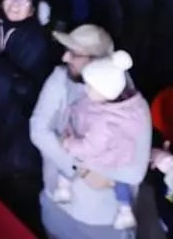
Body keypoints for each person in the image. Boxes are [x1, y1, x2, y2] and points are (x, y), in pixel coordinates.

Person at [30, 25, 151, 239]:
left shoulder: (131, 107)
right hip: (56, 204)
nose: (66, 57)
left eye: (75, 53)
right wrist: (82, 168)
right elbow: (38, 130)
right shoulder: (60, 78)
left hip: (101, 220)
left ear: (98, 60)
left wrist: (78, 160)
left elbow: (134, 172)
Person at [53, 50, 149, 231]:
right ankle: (125, 209)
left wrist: (69, 144)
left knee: (70, 157)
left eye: (91, 87)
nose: (86, 89)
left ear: (106, 91)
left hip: (103, 155)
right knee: (120, 183)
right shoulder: (122, 106)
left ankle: (63, 187)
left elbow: (90, 147)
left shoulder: (103, 123)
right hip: (120, 153)